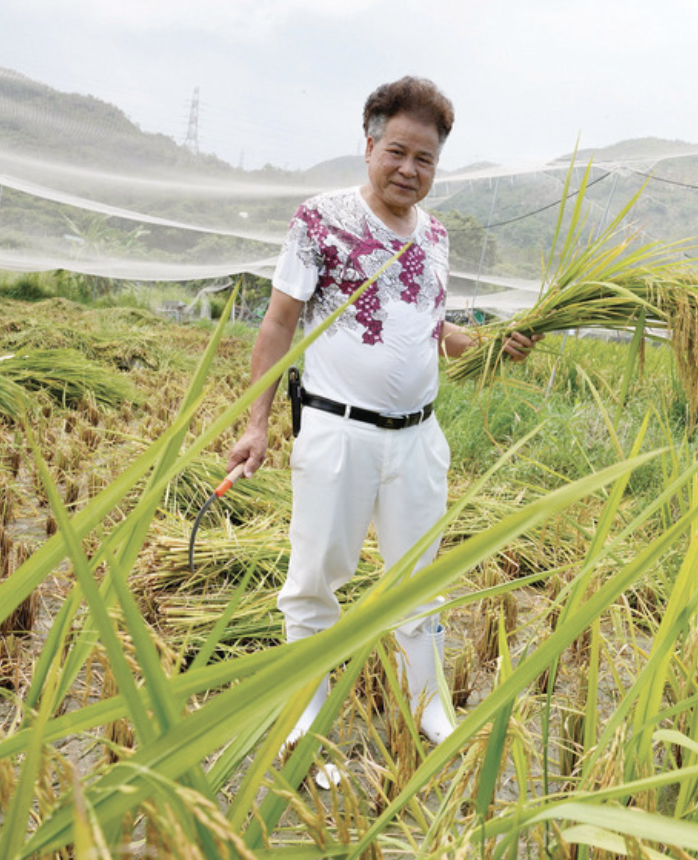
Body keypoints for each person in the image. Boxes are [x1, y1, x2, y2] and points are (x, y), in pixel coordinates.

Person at [227, 76, 539, 747]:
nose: (408, 169)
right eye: (396, 151)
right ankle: (303, 713)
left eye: (424, 159)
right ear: (368, 146)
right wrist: (256, 424)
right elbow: (279, 324)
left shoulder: (437, 238)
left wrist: (492, 346)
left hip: (417, 440)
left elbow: (436, 330)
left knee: (419, 580)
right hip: (338, 431)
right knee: (315, 580)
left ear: (437, 166)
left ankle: (429, 703)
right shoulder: (321, 220)